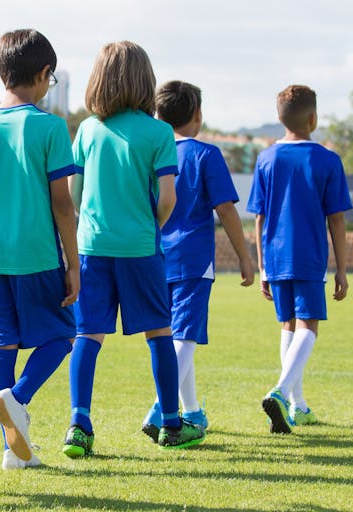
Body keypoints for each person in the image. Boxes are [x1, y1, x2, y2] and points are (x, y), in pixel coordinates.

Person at [64, 41, 206, 458]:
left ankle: (79, 424)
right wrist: (150, 226)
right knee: (159, 333)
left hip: (92, 247)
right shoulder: (159, 132)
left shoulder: (88, 130)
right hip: (140, 248)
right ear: (146, 81)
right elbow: (168, 199)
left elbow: (74, 195)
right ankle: (170, 423)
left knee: (87, 336)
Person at [0, 29, 79, 470]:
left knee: (2, 346)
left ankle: (14, 452)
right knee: (62, 335)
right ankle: (18, 399)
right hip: (37, 255)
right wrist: (74, 260)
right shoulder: (50, 127)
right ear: (45, 74)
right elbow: (62, 203)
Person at [140, 81, 255, 442]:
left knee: (174, 336)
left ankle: (190, 413)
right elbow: (226, 210)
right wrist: (245, 256)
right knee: (186, 337)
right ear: (198, 115)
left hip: (155, 257)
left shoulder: (150, 154)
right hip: (192, 259)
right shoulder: (207, 155)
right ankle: (160, 408)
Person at [247, 84, 351, 434]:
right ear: (314, 117)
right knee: (309, 325)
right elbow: (336, 218)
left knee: (287, 325)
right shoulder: (327, 159)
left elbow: (258, 217)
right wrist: (342, 269)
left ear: (279, 118)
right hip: (308, 256)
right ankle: (280, 390)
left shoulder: (266, 158)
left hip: (275, 257)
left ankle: (298, 405)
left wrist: (262, 266)